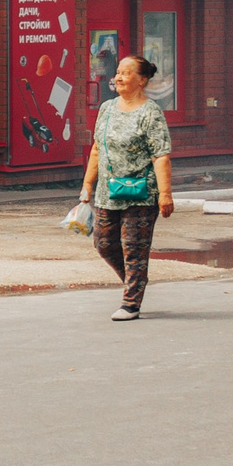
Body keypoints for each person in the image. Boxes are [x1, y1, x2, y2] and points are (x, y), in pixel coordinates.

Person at [78, 53, 174, 321]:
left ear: (142, 80)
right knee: (104, 243)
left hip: (141, 193)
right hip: (108, 192)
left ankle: (131, 302)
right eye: (118, 72)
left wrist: (165, 195)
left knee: (134, 247)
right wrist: (87, 185)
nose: (118, 77)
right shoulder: (106, 109)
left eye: (126, 73)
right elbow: (97, 149)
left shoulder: (150, 112)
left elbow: (161, 156)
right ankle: (135, 280)